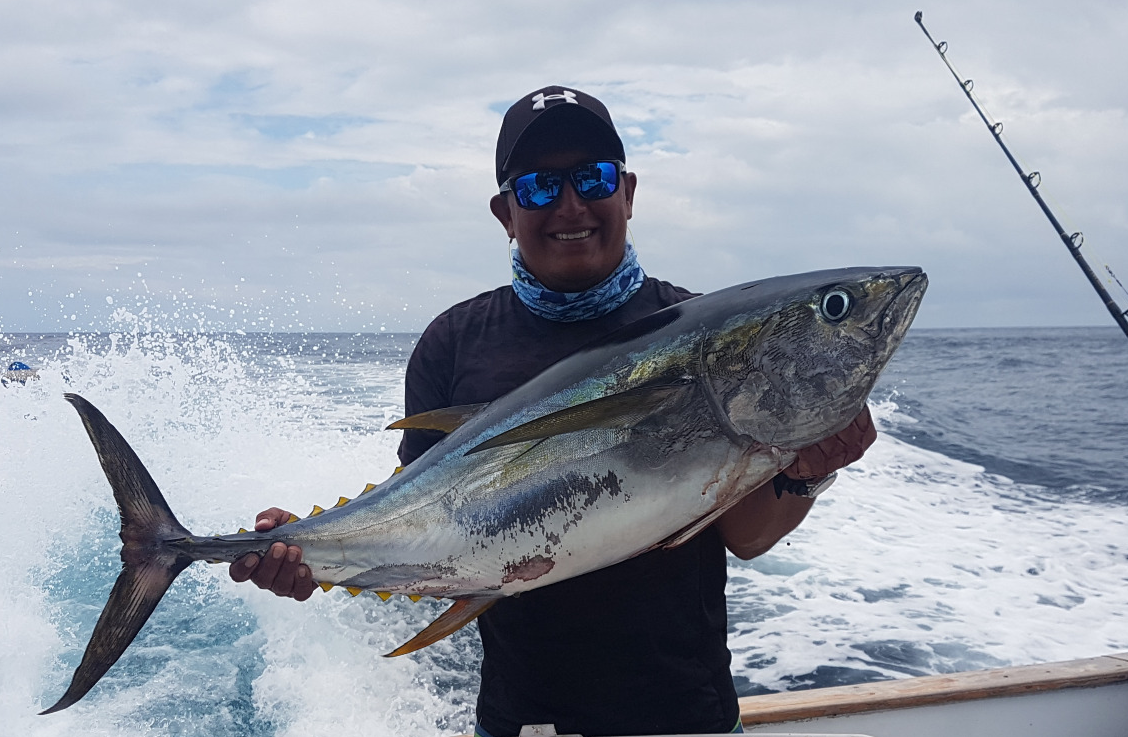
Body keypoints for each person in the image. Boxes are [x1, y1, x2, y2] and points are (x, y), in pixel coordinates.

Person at [230, 86, 876, 736]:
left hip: (688, 718)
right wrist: (306, 550)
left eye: (593, 178)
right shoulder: (454, 344)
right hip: (524, 723)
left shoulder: (700, 336)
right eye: (539, 187)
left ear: (627, 193)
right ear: (505, 213)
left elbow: (747, 536)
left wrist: (808, 473)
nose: (570, 205)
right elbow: (427, 527)